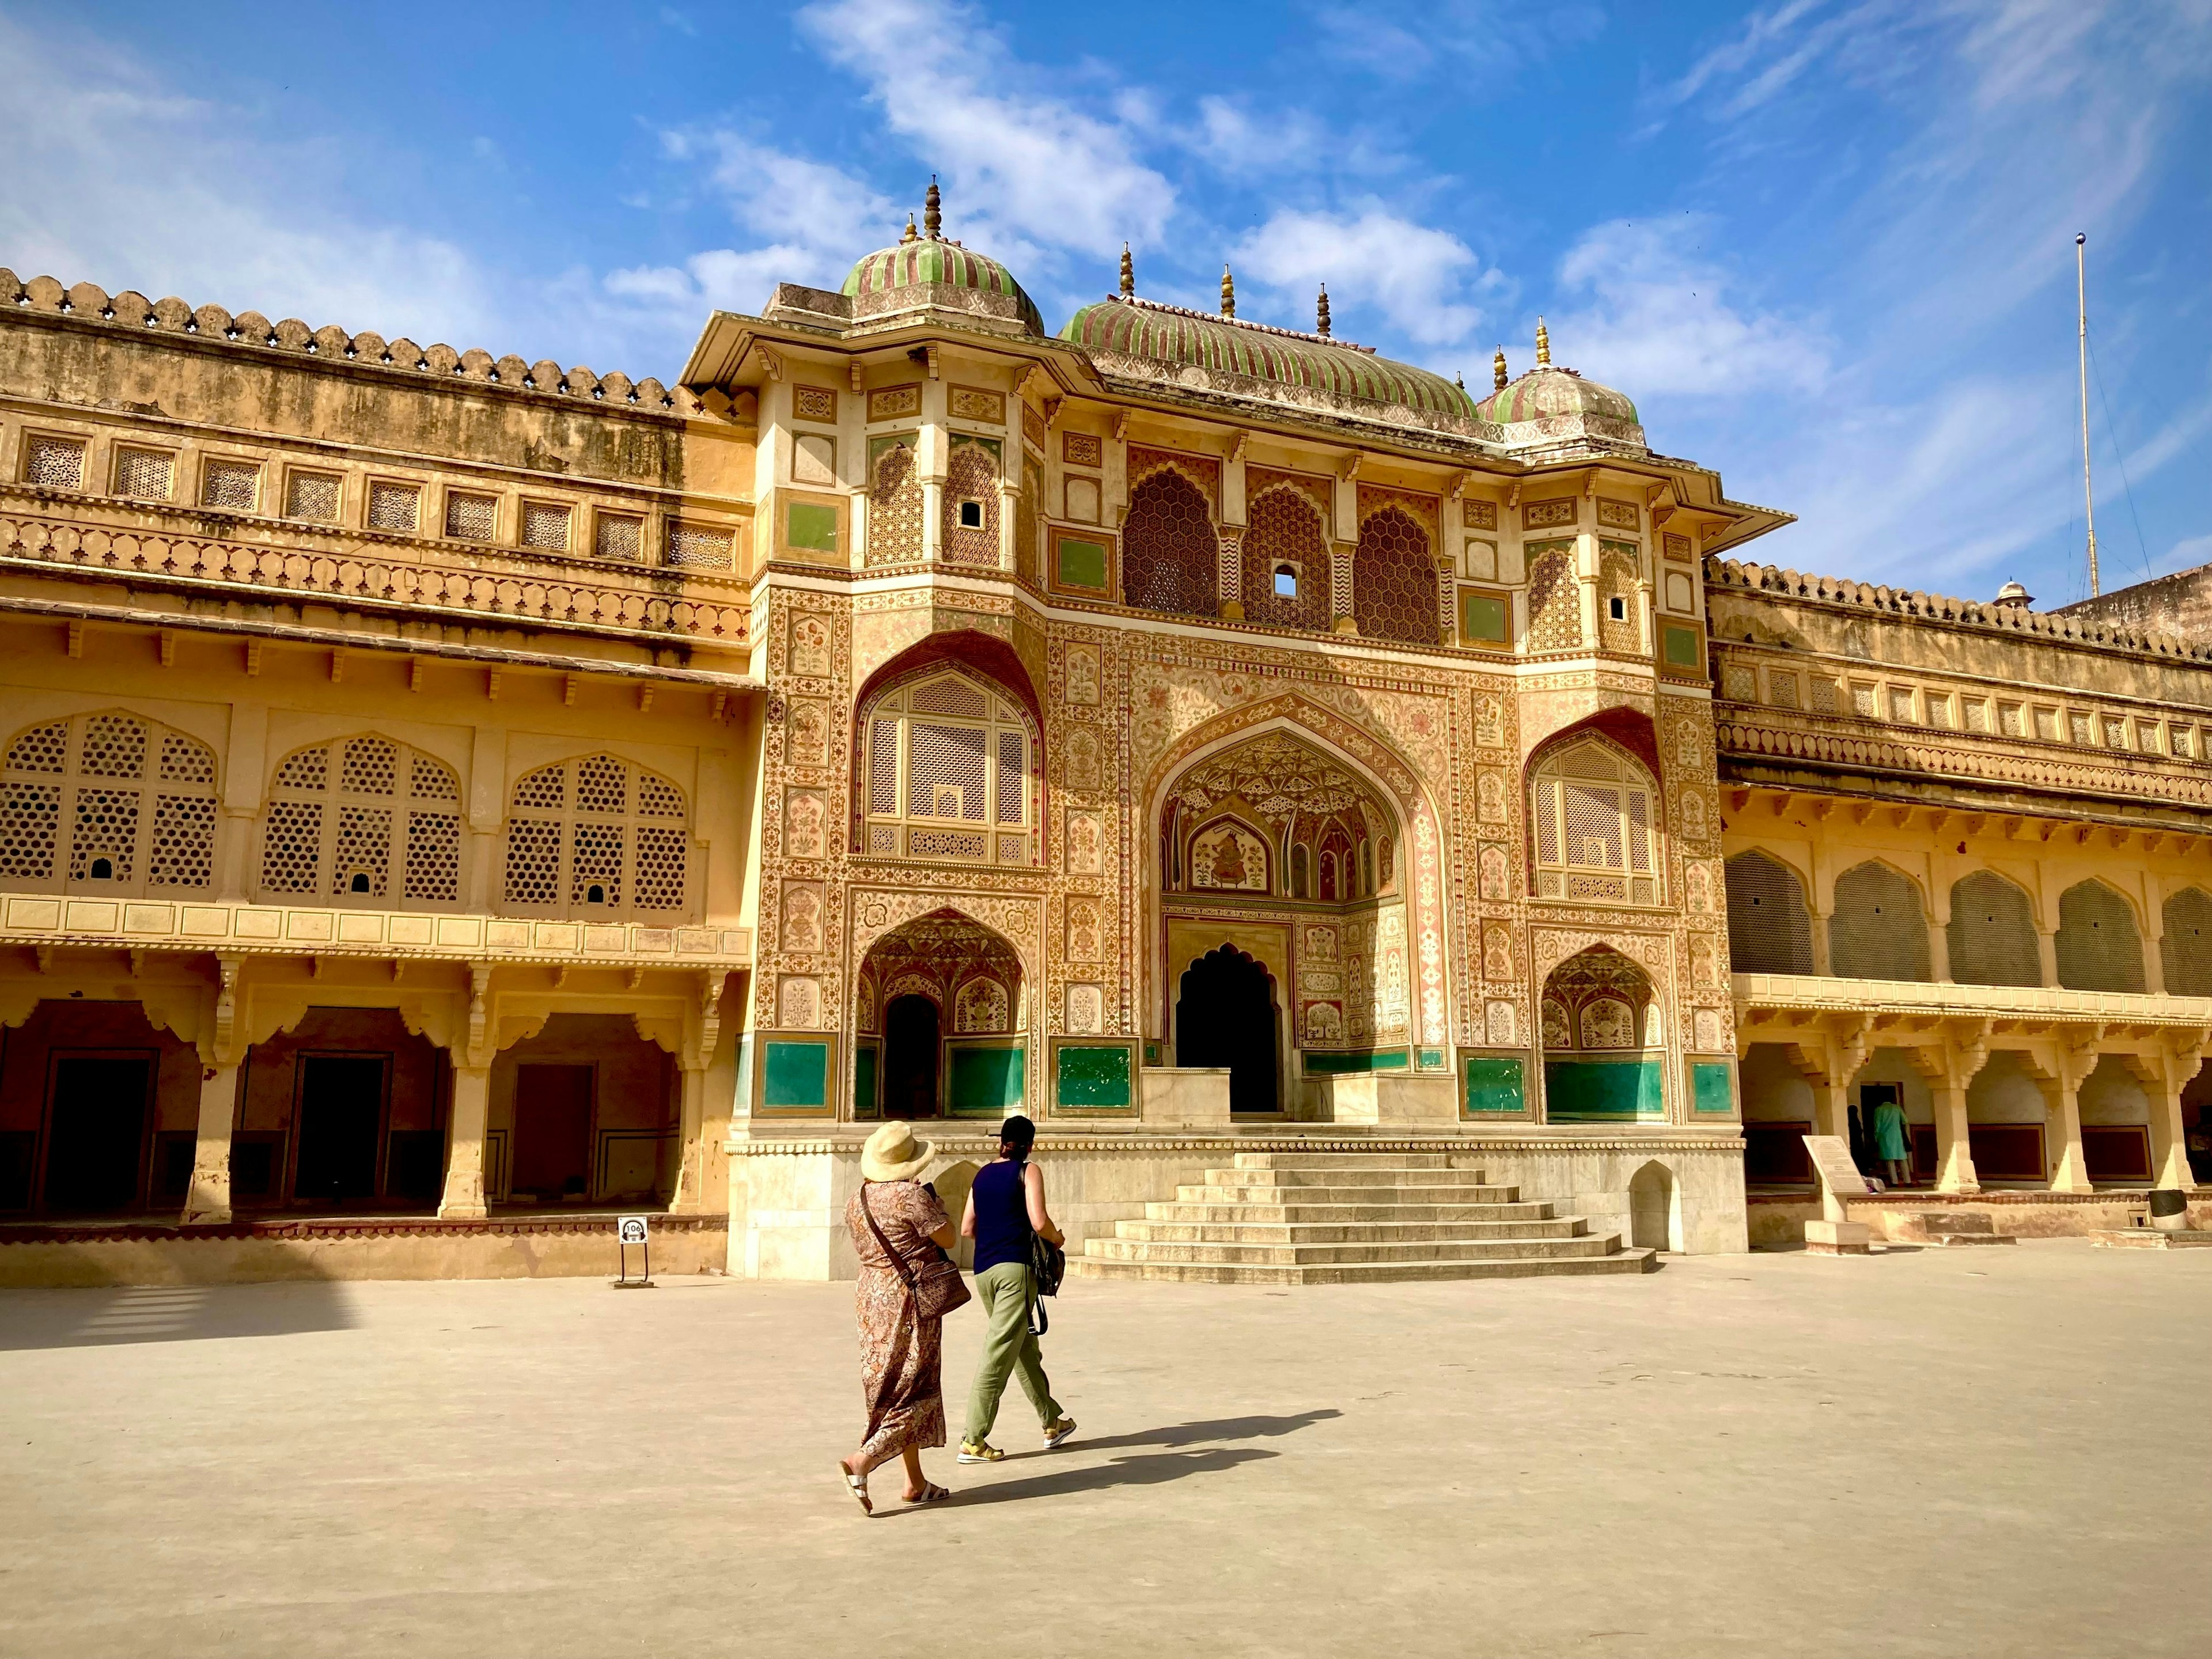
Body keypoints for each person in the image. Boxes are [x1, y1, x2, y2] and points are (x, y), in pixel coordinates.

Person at [839, 1121, 959, 1514]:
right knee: (918, 1387)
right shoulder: (910, 1197)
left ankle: (915, 1481)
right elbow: (947, 1238)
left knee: (891, 1385)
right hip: (908, 1298)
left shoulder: (858, 1198)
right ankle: (864, 1460)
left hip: (871, 1297)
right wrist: (937, 1206)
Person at [957, 1113, 1076, 1464]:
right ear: (1030, 1144)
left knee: (1022, 1345)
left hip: (984, 1272)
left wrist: (996, 1239)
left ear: (1000, 1141)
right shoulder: (1029, 1171)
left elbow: (967, 1228)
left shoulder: (981, 1175)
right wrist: (1057, 1239)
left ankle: (1052, 1421)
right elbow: (1039, 1222)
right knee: (998, 1351)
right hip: (1015, 1271)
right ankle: (973, 1439)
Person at [1870, 1093, 1913, 1190]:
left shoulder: (1878, 1110)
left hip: (1885, 1137)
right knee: (1903, 1159)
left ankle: (1894, 1182)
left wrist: (1876, 1137)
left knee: (1890, 1160)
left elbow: (1877, 1125)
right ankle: (1908, 1181)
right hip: (1898, 1136)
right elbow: (1905, 1121)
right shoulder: (1897, 1108)